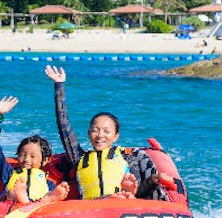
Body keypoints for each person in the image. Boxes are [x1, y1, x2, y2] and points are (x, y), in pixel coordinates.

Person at [45, 65, 169, 200]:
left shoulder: (127, 159)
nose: (100, 135)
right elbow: (63, 125)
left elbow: (139, 191)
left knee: (130, 191)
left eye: (106, 131)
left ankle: (122, 195)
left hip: (121, 206)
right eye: (95, 130)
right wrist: (59, 86)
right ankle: (114, 197)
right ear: (88, 133)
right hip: (90, 208)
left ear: (116, 136)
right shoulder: (78, 157)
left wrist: (152, 180)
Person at [0, 96, 70, 205]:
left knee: (48, 195)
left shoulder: (48, 183)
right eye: (23, 154)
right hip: (13, 206)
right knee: (12, 192)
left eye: (33, 156)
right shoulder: (8, 172)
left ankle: (37, 199)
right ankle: (21, 198)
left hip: (37, 207)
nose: (26, 159)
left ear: (45, 160)